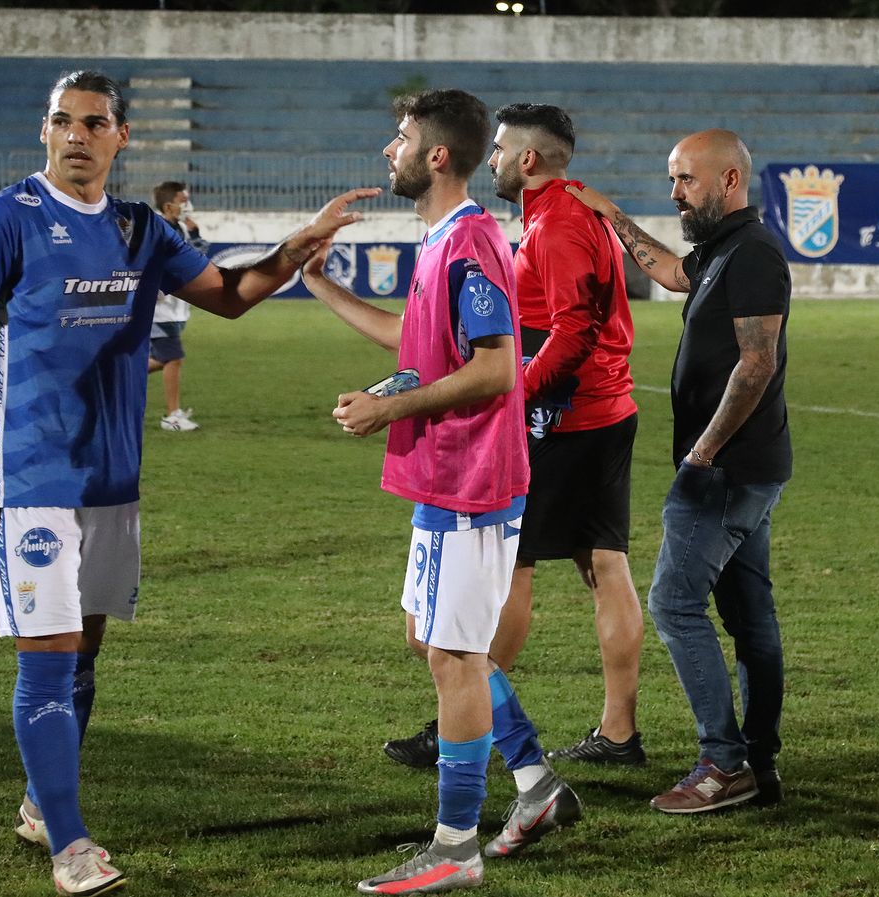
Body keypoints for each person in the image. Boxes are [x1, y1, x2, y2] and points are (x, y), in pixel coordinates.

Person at [0, 70, 376, 896]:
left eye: (94, 123)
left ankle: (41, 800)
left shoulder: (139, 229)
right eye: (63, 121)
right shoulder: (4, 219)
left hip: (111, 476)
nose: (77, 136)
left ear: (120, 137)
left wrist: (296, 248)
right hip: (27, 472)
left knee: (83, 650)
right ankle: (71, 845)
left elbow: (228, 295)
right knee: (48, 657)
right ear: (44, 130)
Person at [300, 88, 580, 895]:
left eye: (400, 138)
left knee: (455, 656)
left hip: (473, 483)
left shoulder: (471, 242)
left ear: (437, 156)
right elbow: (414, 339)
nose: (388, 150)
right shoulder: (440, 240)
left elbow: (496, 368)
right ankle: (535, 782)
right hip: (444, 480)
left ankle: (456, 846)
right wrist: (319, 284)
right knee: (432, 639)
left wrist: (389, 407)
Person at [380, 102, 647, 771]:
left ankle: (462, 714)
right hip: (605, 409)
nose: (492, 159)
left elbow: (572, 327)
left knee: (513, 567)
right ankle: (618, 732)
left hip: (563, 417)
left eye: (500, 150)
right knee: (604, 564)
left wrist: (517, 391)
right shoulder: (573, 213)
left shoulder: (556, 222)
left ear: (528, 159)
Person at [566, 128, 791, 814]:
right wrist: (613, 217)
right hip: (745, 467)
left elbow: (756, 365)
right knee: (749, 616)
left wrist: (702, 454)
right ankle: (758, 759)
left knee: (673, 602)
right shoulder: (723, 249)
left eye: (686, 179)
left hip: (723, 471)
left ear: (729, 180)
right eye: (672, 180)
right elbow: (669, 271)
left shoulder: (753, 254)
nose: (675, 193)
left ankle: (725, 764)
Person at [148, 180, 208, 432]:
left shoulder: (180, 228)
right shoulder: (155, 230)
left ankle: (109, 377)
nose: (188, 205)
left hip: (175, 307)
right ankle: (172, 416)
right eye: (183, 201)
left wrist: (195, 235)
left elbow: (195, 260)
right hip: (159, 308)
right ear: (168, 206)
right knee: (173, 358)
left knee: (161, 358)